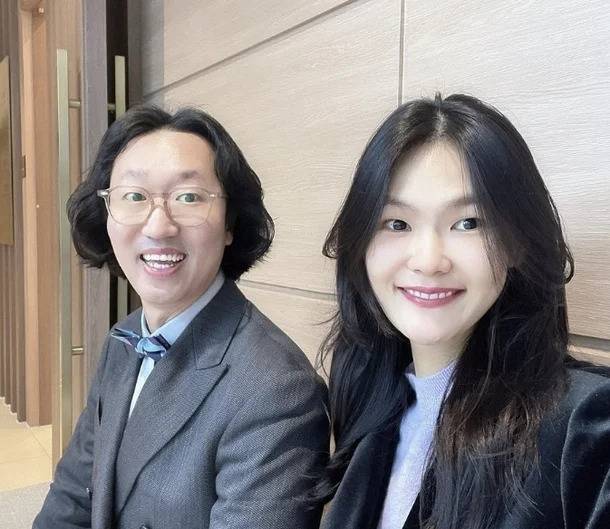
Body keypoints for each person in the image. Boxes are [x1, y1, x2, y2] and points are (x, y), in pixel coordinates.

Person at [316, 94, 610, 529]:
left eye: (468, 223)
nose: (428, 260)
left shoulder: (586, 429)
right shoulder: (368, 400)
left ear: (516, 243)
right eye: (397, 223)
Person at [34, 105, 329, 529]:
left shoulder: (278, 391)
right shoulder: (124, 337)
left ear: (230, 223)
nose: (159, 226)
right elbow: (73, 494)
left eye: (188, 197)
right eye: (134, 196)